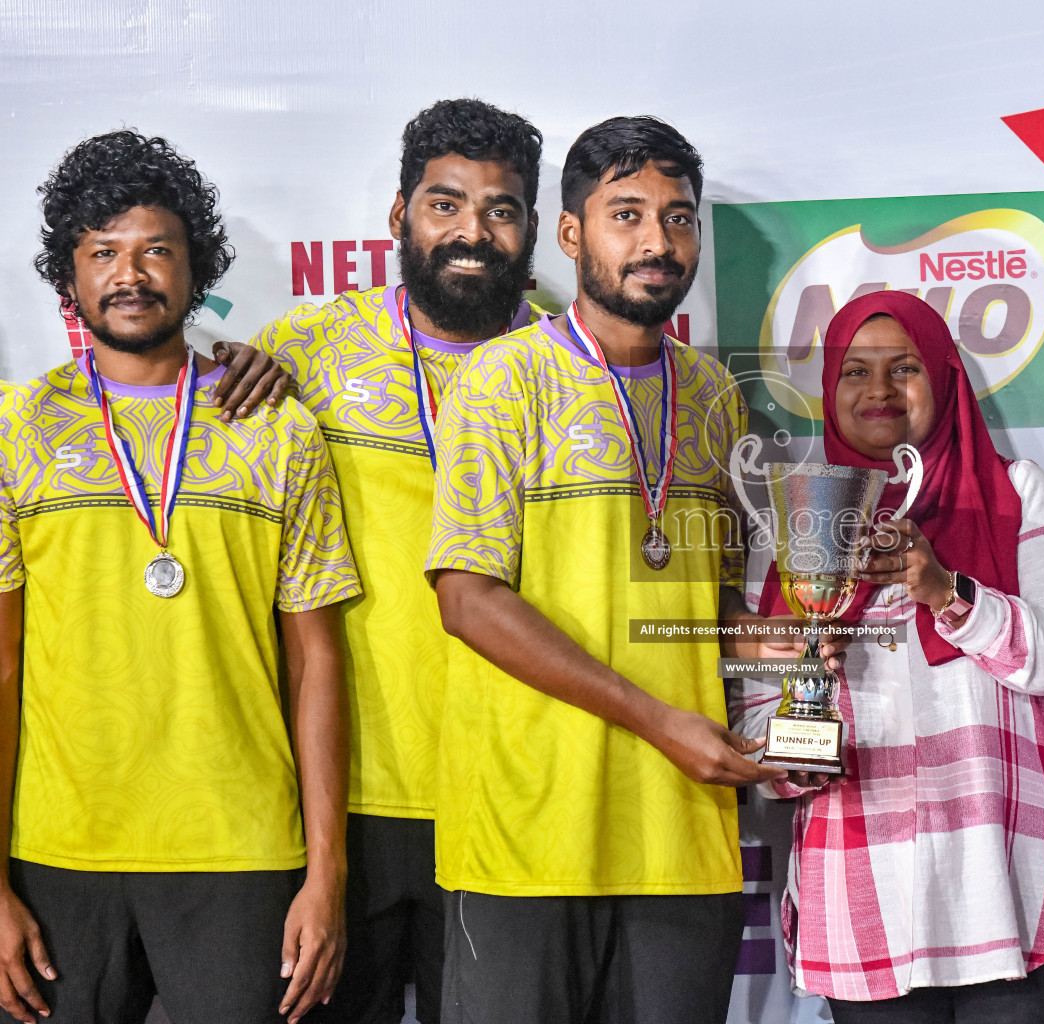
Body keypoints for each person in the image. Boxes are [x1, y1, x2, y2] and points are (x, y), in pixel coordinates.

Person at [425, 116, 781, 1024]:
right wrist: (661, 720)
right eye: (627, 214)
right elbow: (466, 601)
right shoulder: (503, 379)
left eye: (678, 217)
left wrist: (800, 696)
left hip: (682, 831)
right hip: (529, 834)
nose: (658, 242)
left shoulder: (714, 396)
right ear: (572, 233)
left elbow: (718, 610)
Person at [0, 131, 359, 1024]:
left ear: (197, 269)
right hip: (58, 855)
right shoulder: (19, 431)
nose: (131, 273)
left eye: (157, 249)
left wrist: (327, 872)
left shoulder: (277, 430)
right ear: (69, 277)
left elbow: (317, 663)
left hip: (241, 854)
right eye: (104, 253)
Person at [235, 98, 543, 1024]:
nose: (472, 232)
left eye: (500, 209)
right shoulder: (304, 348)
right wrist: (219, 366)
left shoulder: (564, 357)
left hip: (508, 790)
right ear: (398, 218)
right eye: (445, 204)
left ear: (534, 229)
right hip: (346, 799)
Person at [729, 291, 1044, 1022]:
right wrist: (809, 695)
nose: (879, 391)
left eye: (904, 368)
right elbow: (766, 753)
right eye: (854, 372)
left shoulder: (1018, 494)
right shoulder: (789, 533)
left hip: (1015, 891)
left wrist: (946, 592)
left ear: (944, 377)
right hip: (867, 904)